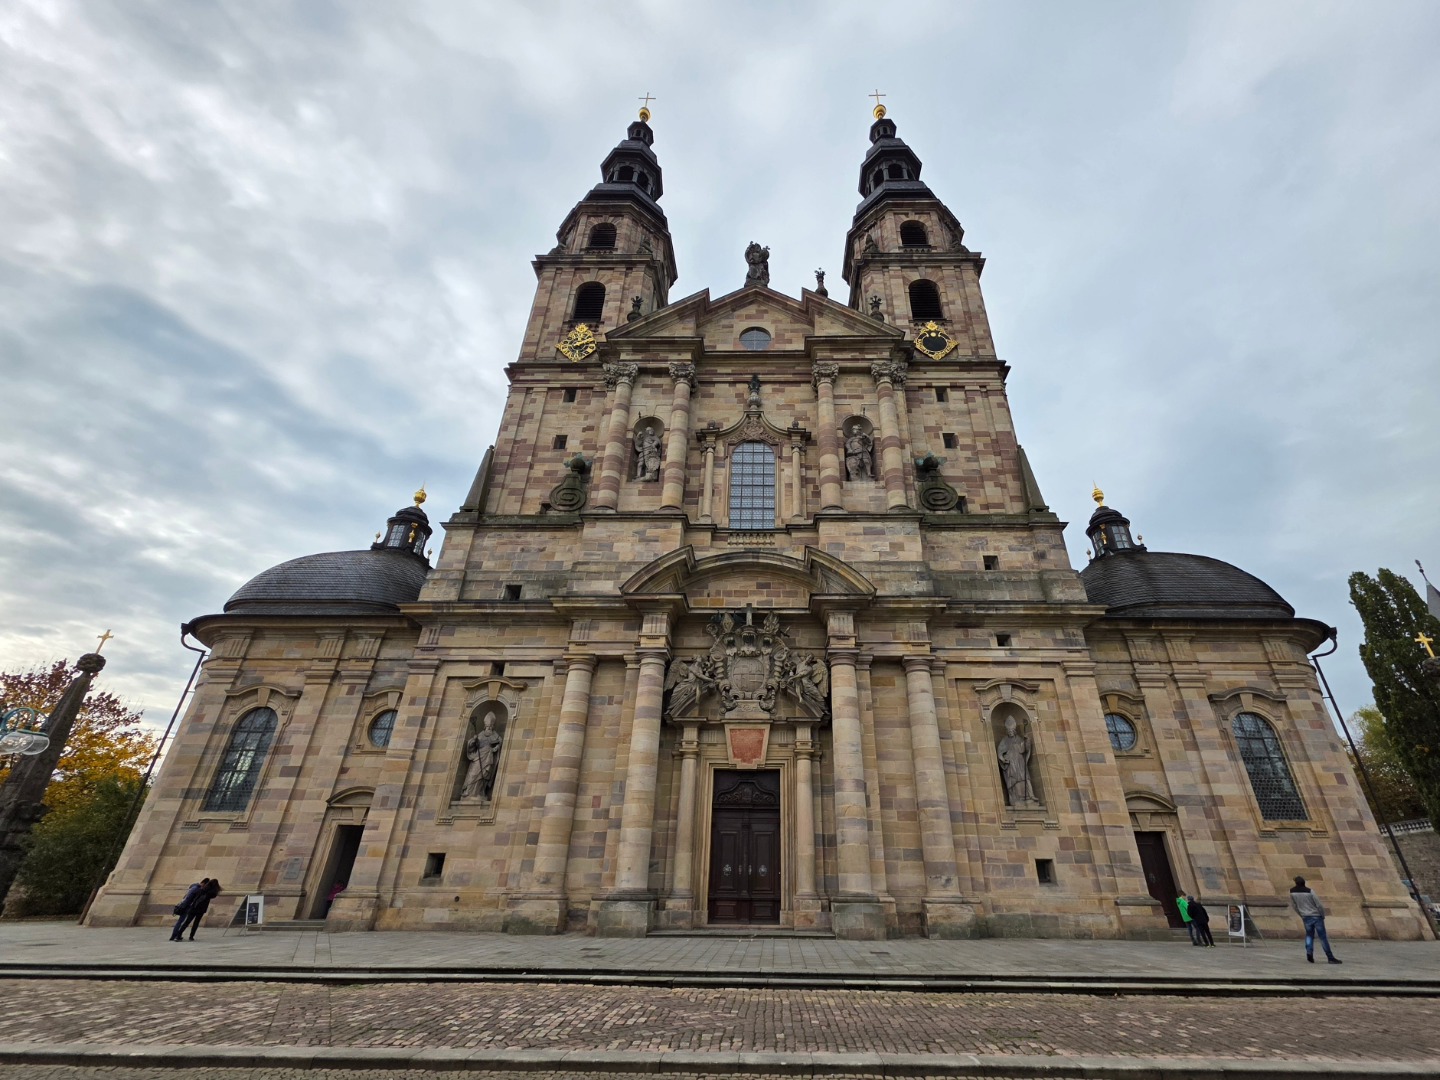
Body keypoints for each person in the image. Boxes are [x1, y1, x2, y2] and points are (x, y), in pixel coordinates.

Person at [1290, 875, 1341, 963]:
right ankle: (1330, 957)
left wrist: (1301, 914)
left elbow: (1294, 905)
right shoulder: (1310, 891)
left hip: (1305, 916)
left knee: (1309, 935)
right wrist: (1322, 914)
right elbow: (1318, 904)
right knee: (1322, 937)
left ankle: (1309, 952)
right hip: (1316, 915)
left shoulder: (1292, 892)